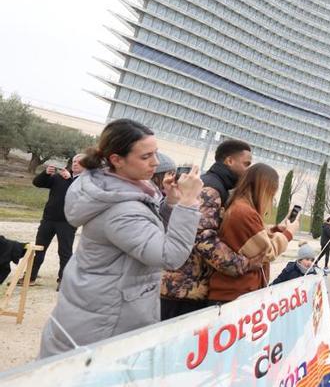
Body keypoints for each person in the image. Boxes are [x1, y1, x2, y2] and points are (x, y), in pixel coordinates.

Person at [39, 119, 202, 357]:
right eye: (146, 157)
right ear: (116, 159)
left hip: (99, 307)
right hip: (105, 320)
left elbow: (149, 232)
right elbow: (170, 256)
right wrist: (188, 204)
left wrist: (171, 203)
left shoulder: (115, 189)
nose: (155, 163)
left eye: (155, 153)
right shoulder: (120, 210)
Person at [160, 139, 259, 320]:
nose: (248, 170)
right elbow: (203, 239)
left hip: (187, 289)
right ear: (229, 161)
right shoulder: (211, 188)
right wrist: (243, 264)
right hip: (184, 291)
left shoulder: (215, 186)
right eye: (246, 164)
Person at [208, 164, 293, 303]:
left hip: (236, 292)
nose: (270, 200)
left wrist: (275, 230)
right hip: (235, 294)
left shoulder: (240, 207)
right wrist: (289, 233)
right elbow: (267, 252)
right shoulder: (244, 212)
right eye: (271, 193)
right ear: (264, 189)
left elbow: (252, 240)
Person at [28, 154, 85, 287]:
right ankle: (30, 278)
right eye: (74, 161)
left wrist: (71, 180)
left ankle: (63, 280)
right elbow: (37, 183)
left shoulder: (87, 181)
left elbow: (82, 195)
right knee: (39, 249)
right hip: (49, 219)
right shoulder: (60, 177)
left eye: (79, 162)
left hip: (67, 222)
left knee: (64, 252)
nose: (75, 164)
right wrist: (46, 174)